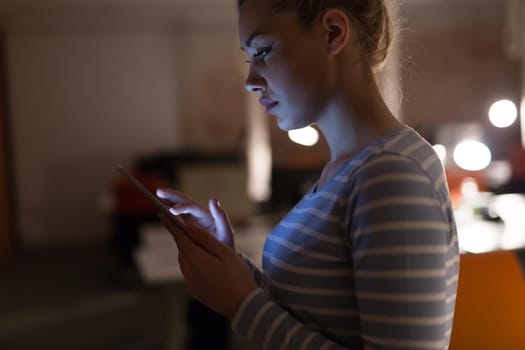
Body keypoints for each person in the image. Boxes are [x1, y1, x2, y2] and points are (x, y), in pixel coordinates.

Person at [156, 0, 460, 348]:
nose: (251, 81)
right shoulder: (350, 168)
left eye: (264, 51)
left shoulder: (392, 174)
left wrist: (240, 303)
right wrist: (232, 270)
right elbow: (313, 315)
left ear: (333, 33)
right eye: (249, 57)